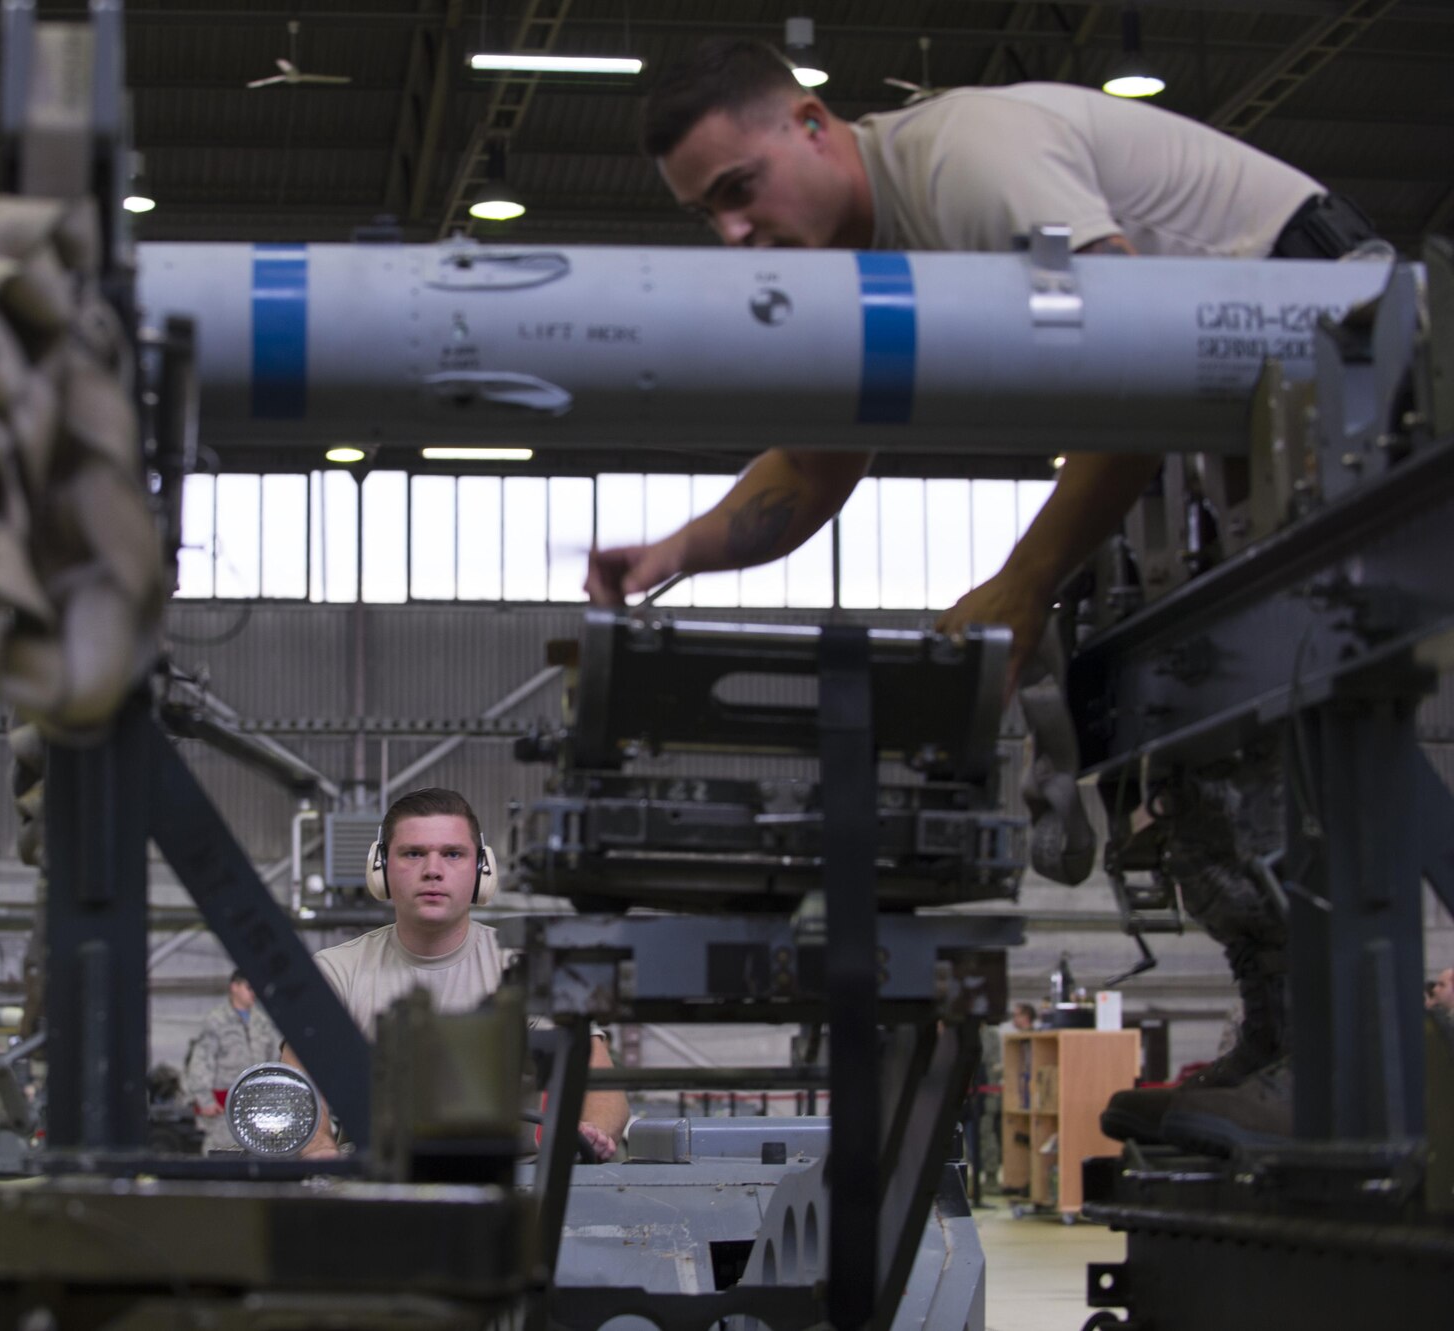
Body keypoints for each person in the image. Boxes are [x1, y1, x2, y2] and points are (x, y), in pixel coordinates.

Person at [588, 39, 1387, 1155]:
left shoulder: (967, 156)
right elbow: (813, 468)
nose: (732, 232)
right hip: (1228, 427)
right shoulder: (853, 273)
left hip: (1341, 362)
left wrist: (1021, 577)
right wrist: (669, 549)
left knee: (1288, 717)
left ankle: (1343, 1065)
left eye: (738, 190)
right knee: (1189, 748)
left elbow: (1135, 357)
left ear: (811, 124)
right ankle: (1285, 1037)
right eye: (705, 215)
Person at [287, 788, 631, 1161]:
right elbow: (298, 1093)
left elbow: (602, 1090)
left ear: (482, 869)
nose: (433, 870)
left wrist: (590, 1132)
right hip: (374, 1186)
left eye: (453, 854)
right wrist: (317, 1147)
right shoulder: (335, 972)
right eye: (413, 853)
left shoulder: (528, 967)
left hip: (515, 1187)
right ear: (380, 869)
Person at [184, 970, 283, 1153]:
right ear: (234, 987)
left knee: (257, 1154)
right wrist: (205, 1100)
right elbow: (201, 1061)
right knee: (222, 1154)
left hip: (256, 1107)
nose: (254, 992)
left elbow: (273, 1061)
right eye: (249, 987)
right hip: (224, 1108)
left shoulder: (261, 1022)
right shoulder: (216, 1021)